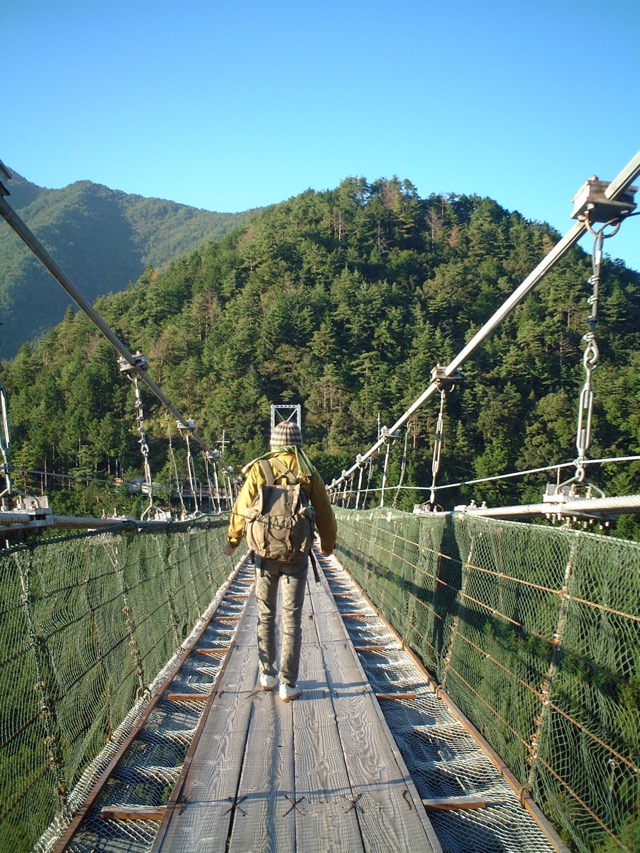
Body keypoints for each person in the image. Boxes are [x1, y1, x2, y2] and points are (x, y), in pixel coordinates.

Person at [223, 421, 337, 702]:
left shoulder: (259, 470)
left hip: (263, 553)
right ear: (297, 443)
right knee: (292, 618)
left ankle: (267, 674)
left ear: (273, 443)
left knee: (265, 614)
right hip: (296, 554)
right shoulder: (306, 470)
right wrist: (328, 544)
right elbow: (323, 509)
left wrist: (233, 540)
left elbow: (241, 509)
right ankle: (288, 683)